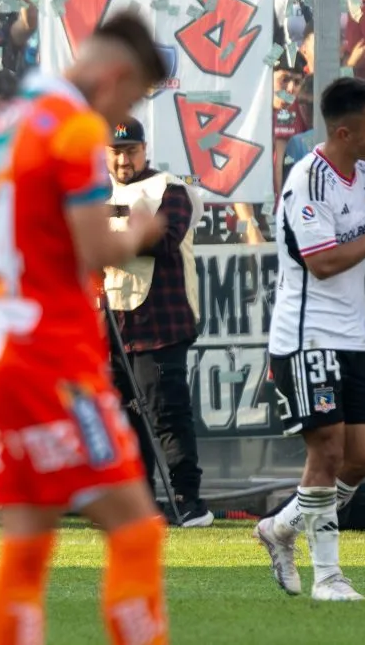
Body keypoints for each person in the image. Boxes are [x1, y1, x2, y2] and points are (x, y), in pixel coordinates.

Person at [0, 10, 170, 645]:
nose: (121, 113)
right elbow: (96, 247)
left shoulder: (4, 126)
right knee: (136, 530)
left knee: (28, 541)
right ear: (116, 74)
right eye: (132, 95)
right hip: (56, 361)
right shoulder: (72, 131)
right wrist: (143, 231)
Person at [253, 78, 365, 601]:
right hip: (307, 337)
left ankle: (281, 527)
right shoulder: (307, 182)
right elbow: (320, 263)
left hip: (352, 335)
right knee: (326, 452)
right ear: (344, 133)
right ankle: (328, 576)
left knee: (364, 457)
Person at [104, 116, 211, 527]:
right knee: (124, 418)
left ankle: (189, 500)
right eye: (115, 151)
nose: (123, 159)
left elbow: (162, 240)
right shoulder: (99, 191)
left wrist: (108, 235)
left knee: (167, 414)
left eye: (130, 150)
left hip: (161, 322)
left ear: (144, 149)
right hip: (113, 322)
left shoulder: (170, 188)